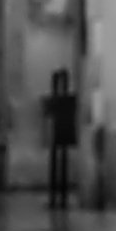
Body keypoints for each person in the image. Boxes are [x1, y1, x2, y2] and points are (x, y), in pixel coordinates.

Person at [43, 68, 78, 209]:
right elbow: (47, 115)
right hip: (55, 131)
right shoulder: (53, 100)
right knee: (54, 165)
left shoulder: (69, 100)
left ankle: (62, 197)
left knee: (63, 164)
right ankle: (54, 197)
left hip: (64, 131)